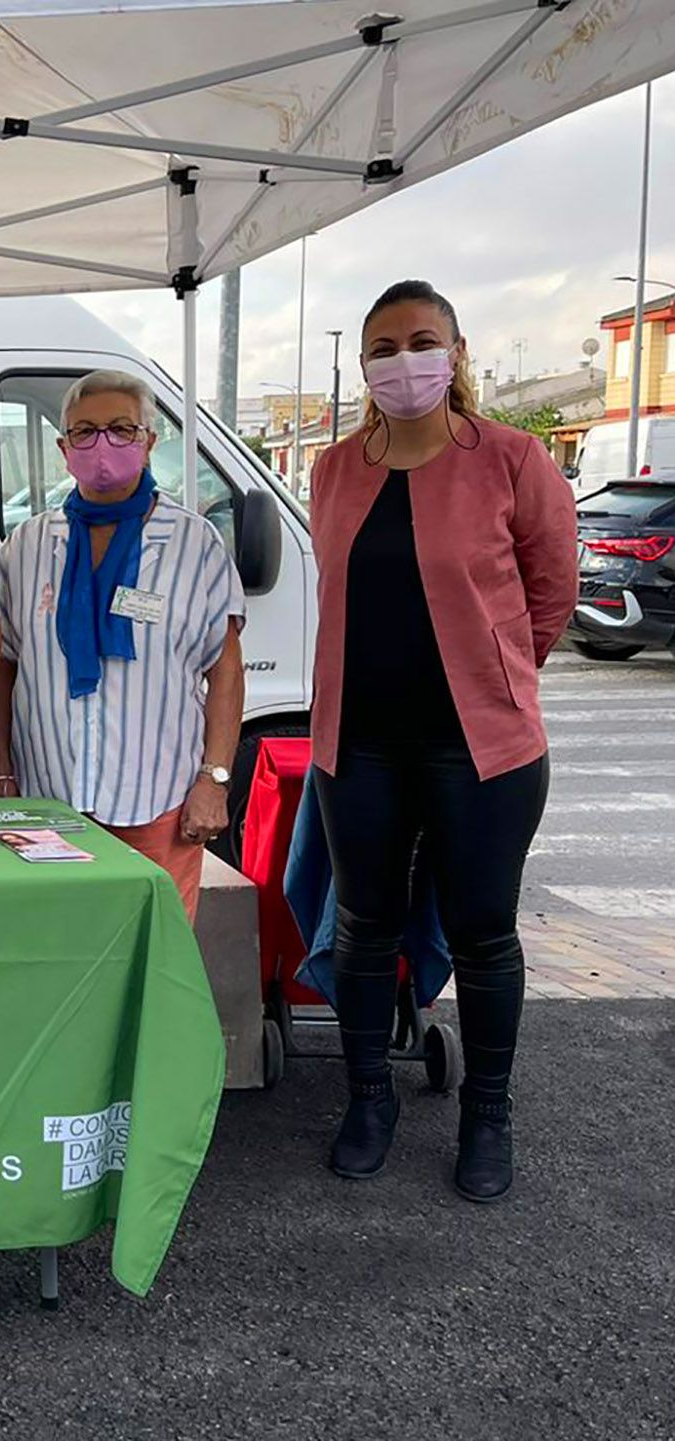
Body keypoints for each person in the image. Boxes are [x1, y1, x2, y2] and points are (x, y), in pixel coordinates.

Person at [308, 279, 576, 1202]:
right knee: (362, 928)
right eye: (382, 347)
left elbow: (550, 592)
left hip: (482, 751)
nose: (401, 360)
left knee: (483, 934)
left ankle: (487, 1115)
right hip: (361, 746)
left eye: (421, 340)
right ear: (364, 366)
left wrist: (495, 676)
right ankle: (369, 1099)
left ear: (456, 353)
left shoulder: (511, 458)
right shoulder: (334, 468)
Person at [0, 370, 245, 920]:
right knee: (59, 957)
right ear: (64, 449)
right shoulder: (27, 546)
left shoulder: (195, 543)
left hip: (158, 802)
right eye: (85, 432)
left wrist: (214, 780)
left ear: (149, 441)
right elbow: (5, 667)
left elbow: (225, 670)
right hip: (46, 802)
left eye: (121, 429)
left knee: (153, 962)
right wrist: (0, 769)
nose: (103, 445)